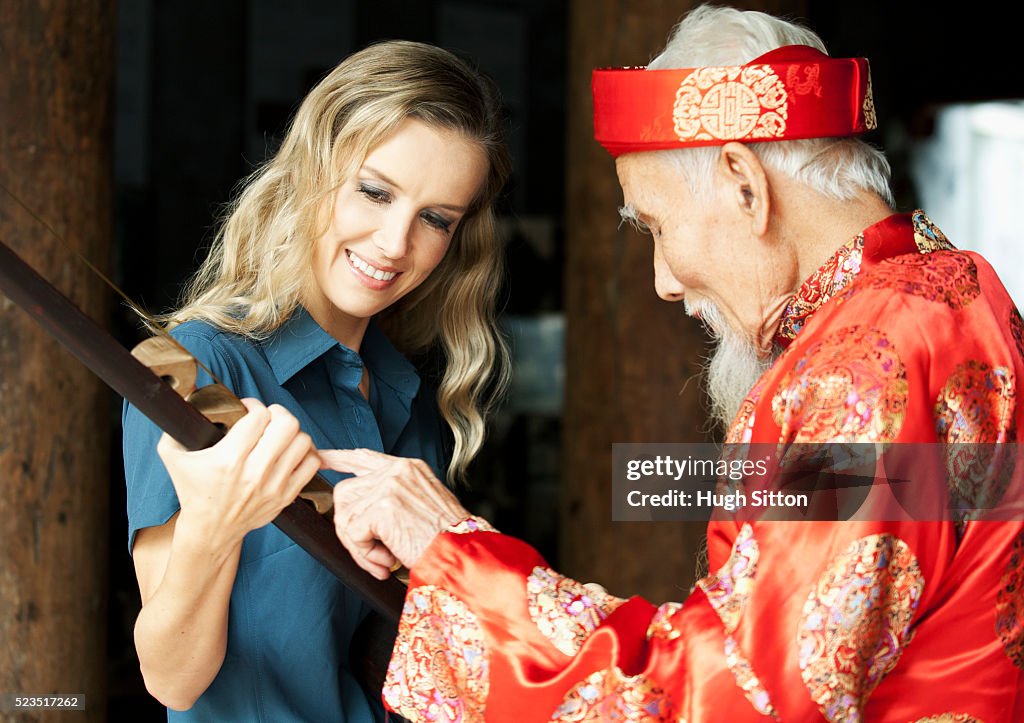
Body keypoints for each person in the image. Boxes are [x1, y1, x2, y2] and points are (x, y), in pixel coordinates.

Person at [326, 7, 1024, 722]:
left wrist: (456, 557)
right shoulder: (955, 290)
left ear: (743, 183)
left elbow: (726, 701)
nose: (662, 280)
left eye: (658, 227)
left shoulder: (868, 362)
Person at [121, 40, 511, 721]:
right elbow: (171, 679)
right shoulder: (196, 367)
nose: (395, 242)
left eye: (435, 218)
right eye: (374, 191)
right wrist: (215, 524)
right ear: (312, 169)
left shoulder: (408, 402)